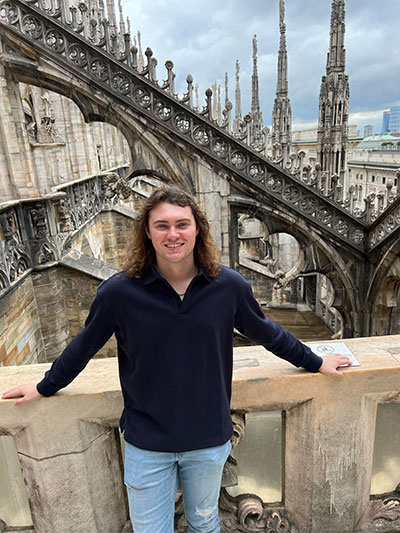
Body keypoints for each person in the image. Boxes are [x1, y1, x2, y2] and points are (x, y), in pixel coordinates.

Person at [2, 185, 351, 533]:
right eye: (162, 225)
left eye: (182, 224)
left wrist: (315, 361)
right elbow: (83, 346)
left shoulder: (228, 287)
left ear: (197, 229)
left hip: (208, 438)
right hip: (147, 442)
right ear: (147, 232)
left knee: (203, 522)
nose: (173, 234)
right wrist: (45, 386)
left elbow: (268, 333)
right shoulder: (118, 293)